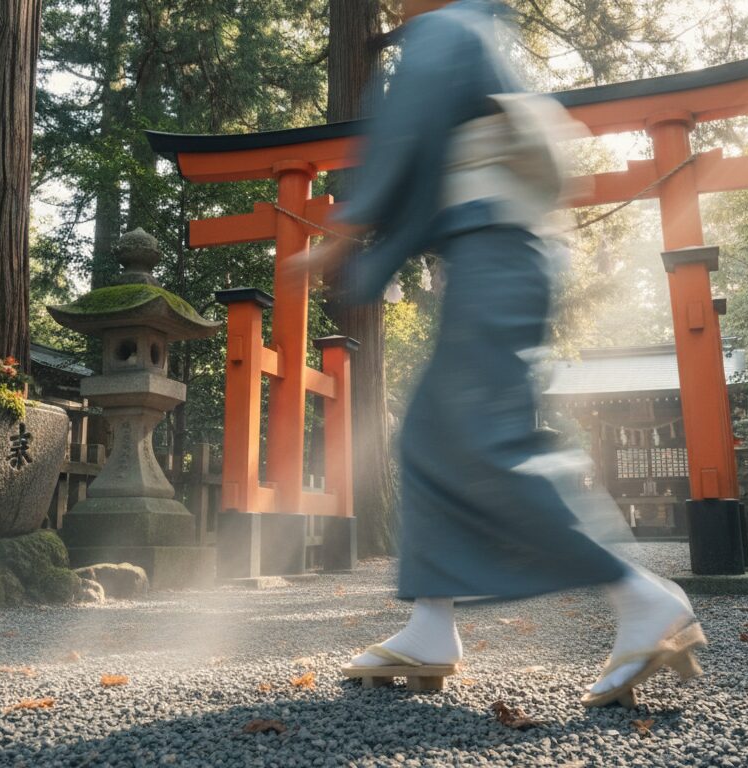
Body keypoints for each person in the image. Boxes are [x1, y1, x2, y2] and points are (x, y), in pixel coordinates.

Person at [290, 0, 705, 707]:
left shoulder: (448, 30)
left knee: (485, 440)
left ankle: (642, 597)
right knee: (427, 433)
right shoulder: (473, 30)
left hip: (496, 255)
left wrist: (346, 230)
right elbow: (427, 156)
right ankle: (431, 623)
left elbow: (404, 136)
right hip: (493, 254)